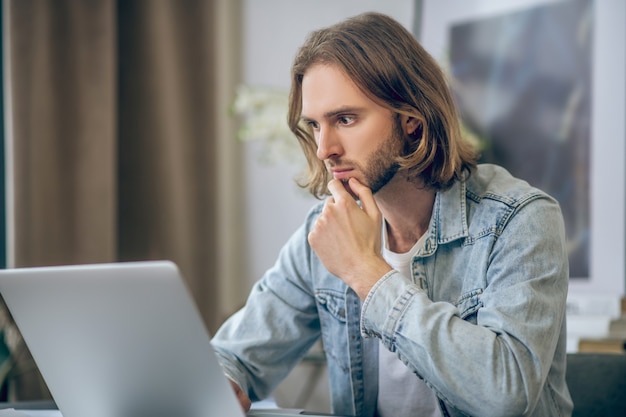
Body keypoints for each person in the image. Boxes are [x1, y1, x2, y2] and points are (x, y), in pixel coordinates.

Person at [212, 11, 573, 417]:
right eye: (314, 125)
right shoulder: (324, 228)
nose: (323, 149)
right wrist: (223, 382)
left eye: (345, 119)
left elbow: (506, 394)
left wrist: (366, 273)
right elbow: (236, 356)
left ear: (412, 124)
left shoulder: (519, 220)